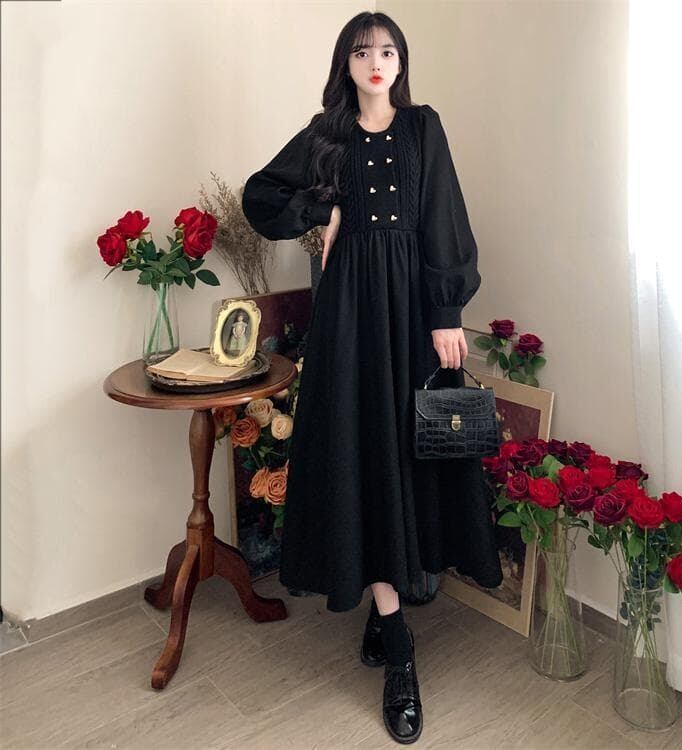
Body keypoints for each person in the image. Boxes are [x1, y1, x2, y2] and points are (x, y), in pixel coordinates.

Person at [242, 11, 501, 744]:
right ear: (346, 64)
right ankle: (398, 641)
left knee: (409, 449)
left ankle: (385, 613)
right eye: (362, 52)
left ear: (401, 61)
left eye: (387, 51)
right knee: (362, 449)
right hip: (350, 315)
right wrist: (321, 208)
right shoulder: (326, 134)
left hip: (413, 312)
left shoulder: (423, 128)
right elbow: (260, 196)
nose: (376, 63)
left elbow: (445, 214)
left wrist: (447, 311)